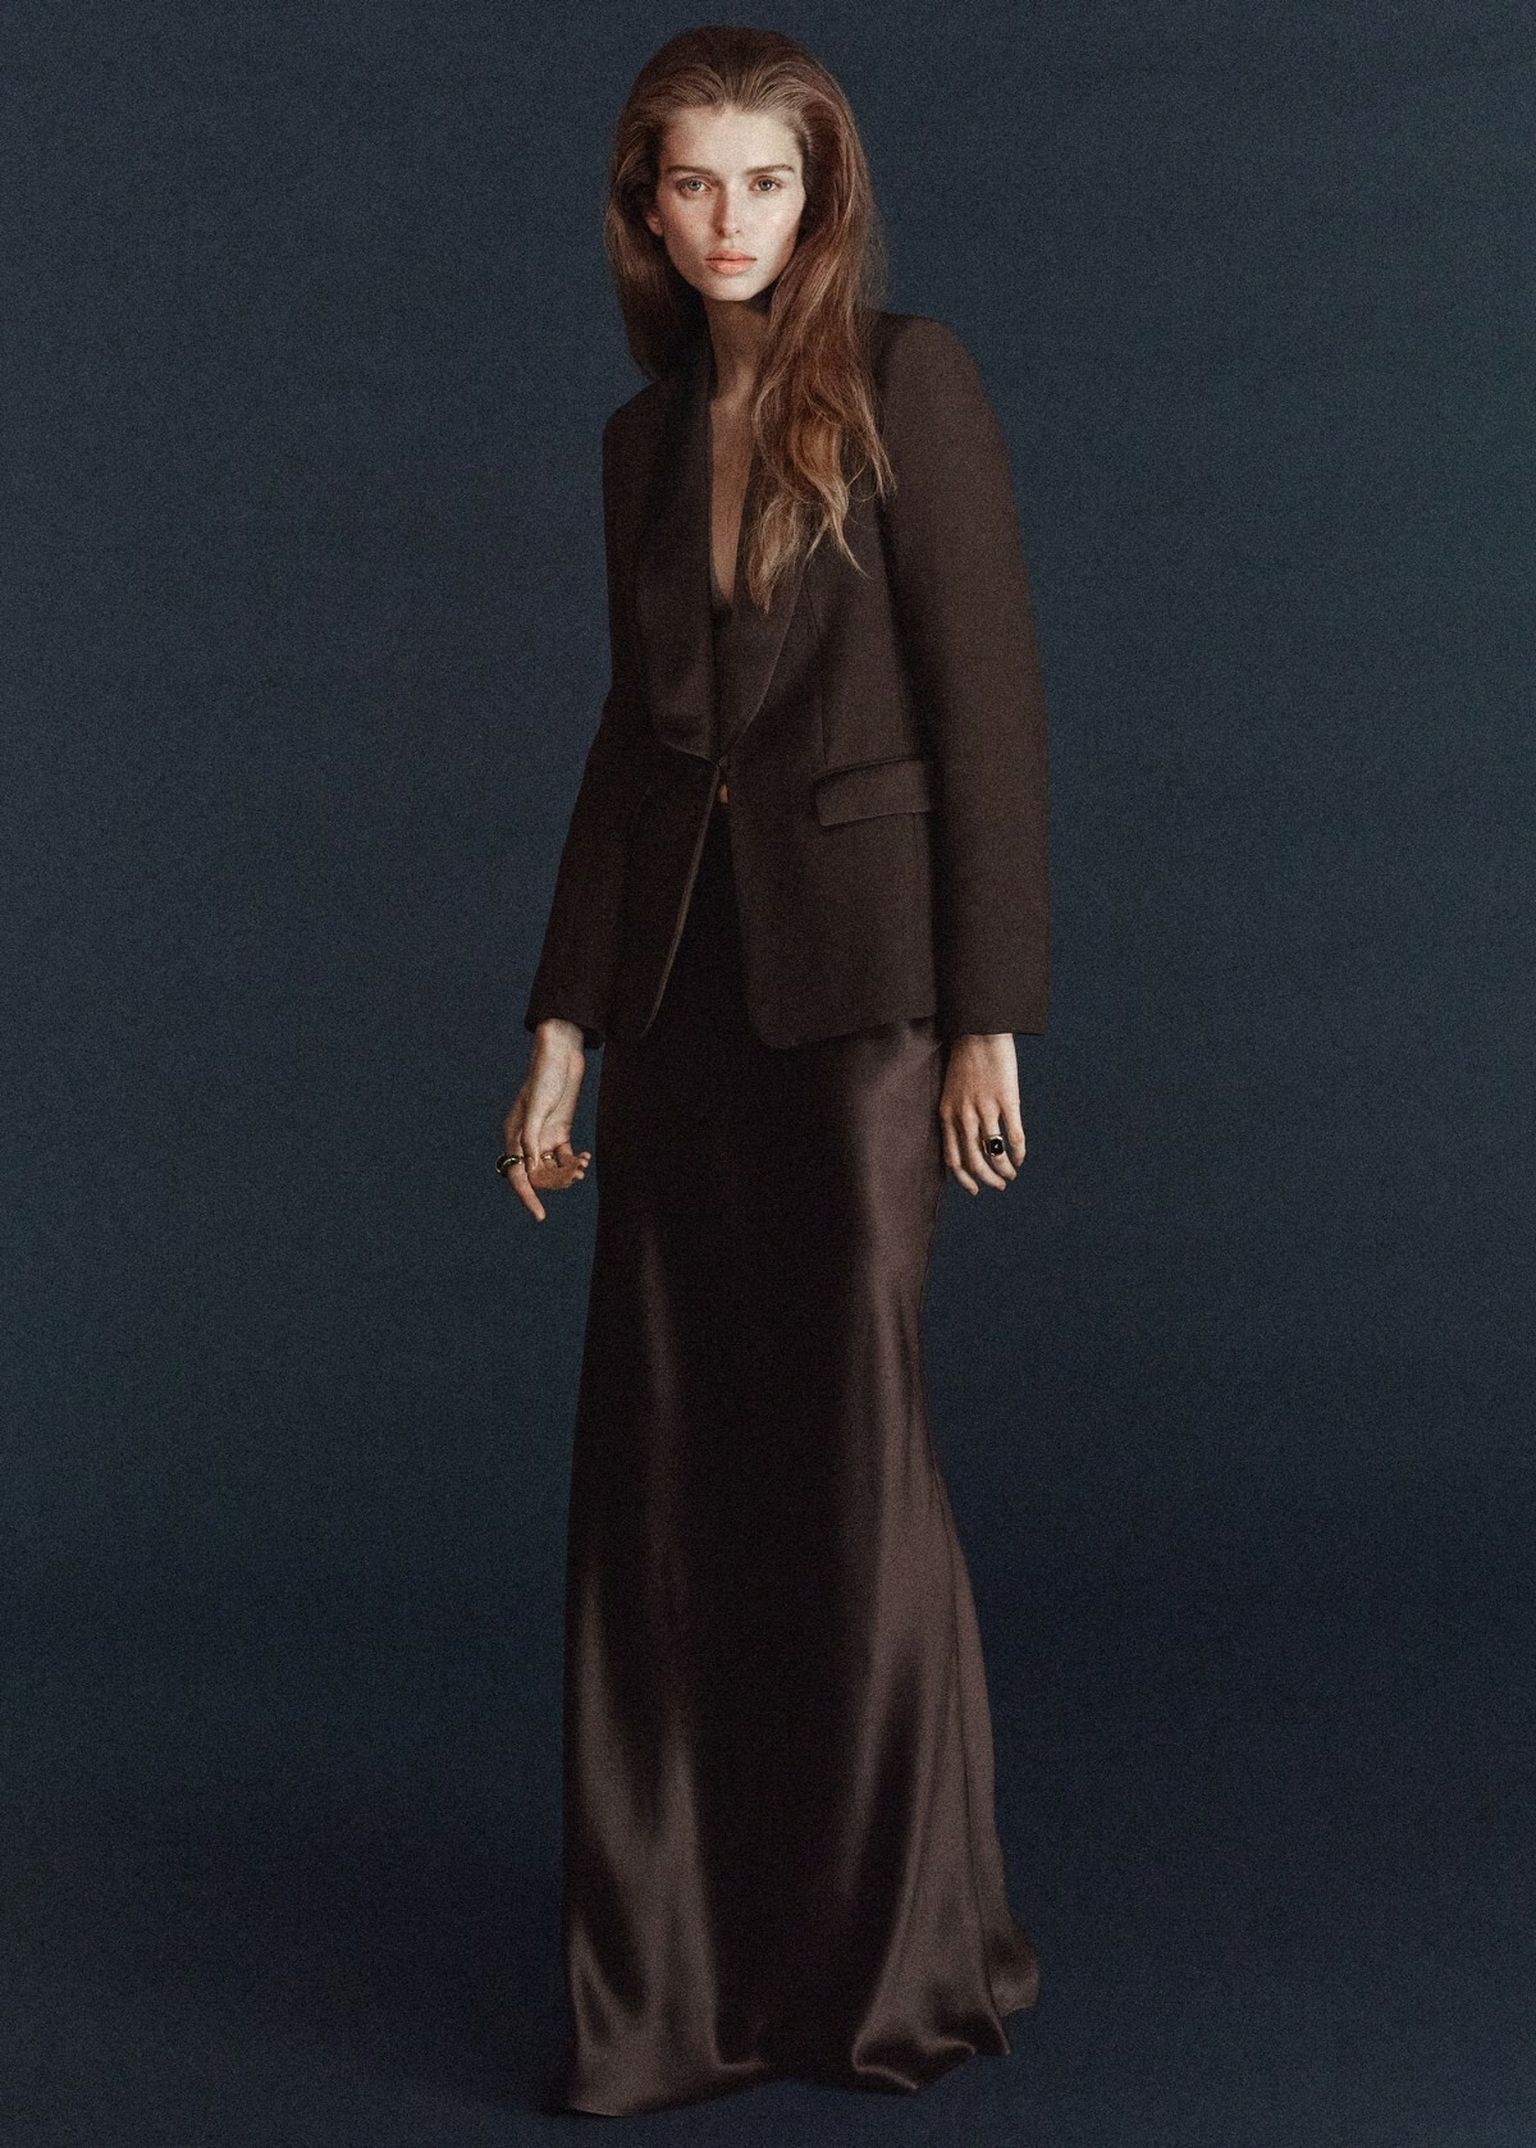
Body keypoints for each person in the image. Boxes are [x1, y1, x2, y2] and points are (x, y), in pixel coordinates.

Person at [499, 25, 1050, 2117]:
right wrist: (561, 1026)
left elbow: (987, 707)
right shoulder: (640, 444)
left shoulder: (911, 381)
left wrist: (987, 1013)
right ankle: (687, 1981)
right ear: (644, 210)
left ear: (820, 199)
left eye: (765, 182)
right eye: (691, 184)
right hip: (681, 1009)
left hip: (861, 1006)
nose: (728, 219)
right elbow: (634, 749)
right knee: (669, 1480)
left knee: (847, 1461)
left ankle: (894, 1962)